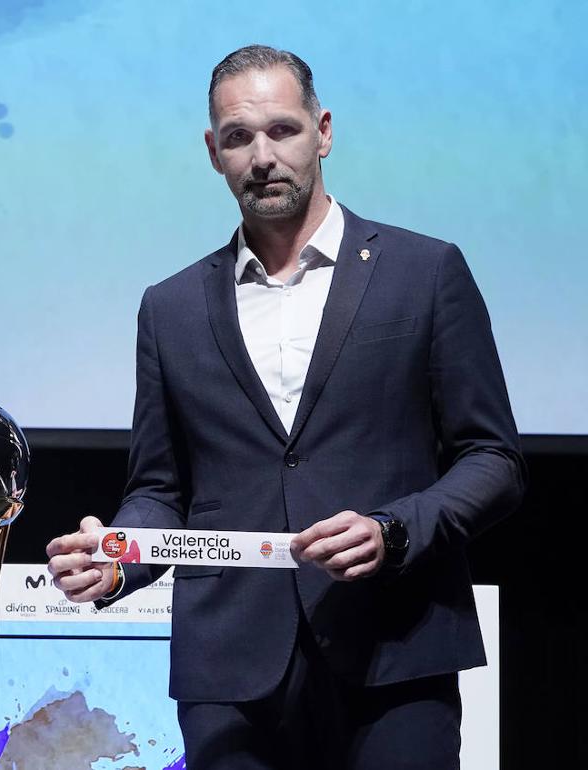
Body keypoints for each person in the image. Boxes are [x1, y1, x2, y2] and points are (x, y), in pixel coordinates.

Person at [45, 46, 525, 769]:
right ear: (214, 152)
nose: (263, 155)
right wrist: (121, 558)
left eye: (283, 130)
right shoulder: (170, 307)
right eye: (239, 137)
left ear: (323, 131)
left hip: (395, 650)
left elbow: (494, 460)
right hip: (230, 668)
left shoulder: (425, 272)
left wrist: (394, 531)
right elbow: (159, 488)